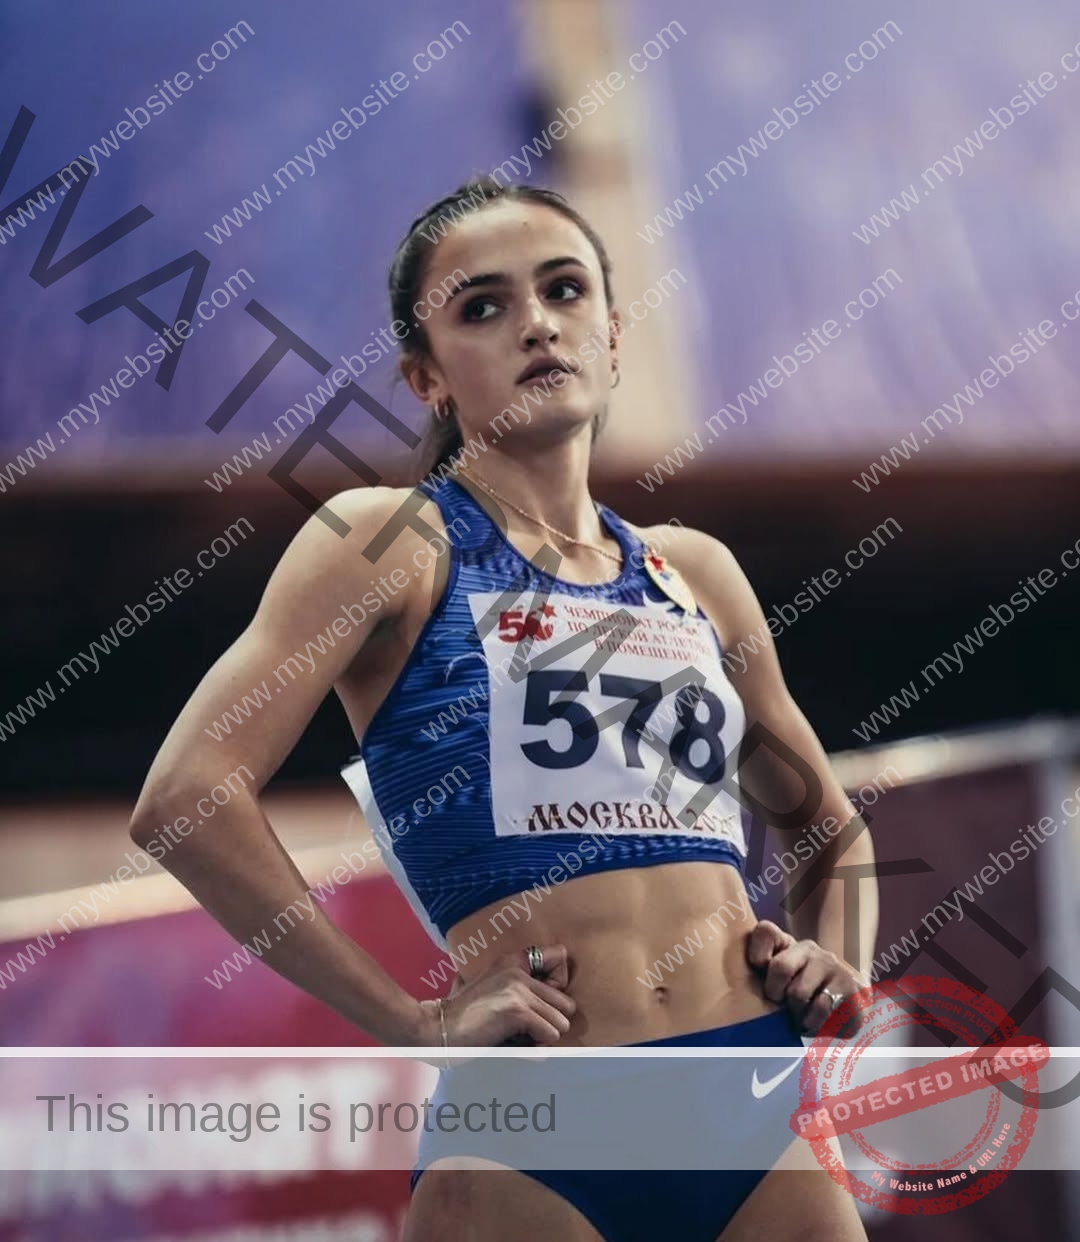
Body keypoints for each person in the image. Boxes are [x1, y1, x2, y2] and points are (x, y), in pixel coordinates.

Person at [130, 176, 877, 1241]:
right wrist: (412, 1021)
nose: (535, 322)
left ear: (612, 338)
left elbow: (825, 822)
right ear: (427, 377)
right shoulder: (387, 543)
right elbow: (185, 798)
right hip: (535, 1126)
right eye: (482, 306)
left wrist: (836, 957)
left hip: (754, 1096)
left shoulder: (693, 571)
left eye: (565, 291)